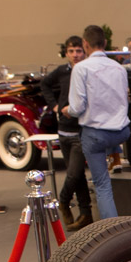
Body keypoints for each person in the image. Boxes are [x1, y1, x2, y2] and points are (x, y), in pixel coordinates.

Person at [63, 25, 129, 220]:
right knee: (108, 135)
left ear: (85, 44)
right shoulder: (119, 68)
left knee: (102, 185)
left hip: (96, 135)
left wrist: (67, 110)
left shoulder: (81, 68)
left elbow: (77, 107)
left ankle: (111, 230)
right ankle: (115, 155)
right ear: (105, 43)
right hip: (122, 131)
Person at [41, 35, 92, 231]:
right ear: (66, 53)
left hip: (80, 130)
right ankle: (86, 213)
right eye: (71, 51)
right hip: (64, 130)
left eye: (79, 51)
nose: (75, 55)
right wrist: (53, 106)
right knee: (76, 175)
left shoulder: (86, 70)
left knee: (74, 173)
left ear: (84, 51)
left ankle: (62, 201)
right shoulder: (62, 71)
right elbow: (44, 84)